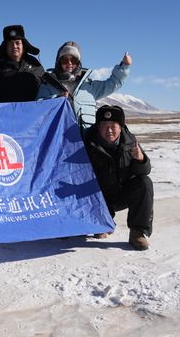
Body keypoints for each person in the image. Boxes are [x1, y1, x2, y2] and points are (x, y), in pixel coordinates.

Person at [82, 105, 153, 250]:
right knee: (100, 232)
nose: (109, 130)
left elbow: (144, 171)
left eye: (113, 126)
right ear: (98, 127)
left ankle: (137, 233)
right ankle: (102, 221)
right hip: (98, 197)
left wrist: (141, 160)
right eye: (104, 126)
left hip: (122, 193)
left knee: (144, 183)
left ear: (121, 127)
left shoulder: (130, 142)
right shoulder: (87, 144)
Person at [37, 41, 131, 130]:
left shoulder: (89, 87)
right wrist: (56, 100)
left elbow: (113, 83)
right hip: (58, 140)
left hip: (85, 140)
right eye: (65, 60)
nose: (69, 63)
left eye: (73, 60)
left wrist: (124, 66)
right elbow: (38, 108)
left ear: (78, 63)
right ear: (59, 62)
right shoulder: (48, 84)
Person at [0, 25, 44, 102]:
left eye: (17, 43)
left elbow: (46, 93)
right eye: (10, 43)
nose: (14, 46)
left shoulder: (36, 65)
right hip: (4, 109)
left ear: (23, 45)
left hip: (31, 109)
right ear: (5, 47)